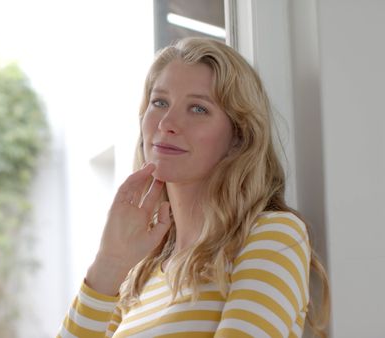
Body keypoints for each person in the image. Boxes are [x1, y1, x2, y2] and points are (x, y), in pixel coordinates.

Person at [58, 37, 330, 338]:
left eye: (198, 109)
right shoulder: (139, 276)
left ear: (239, 135)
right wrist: (109, 262)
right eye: (159, 102)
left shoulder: (274, 235)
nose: (167, 123)